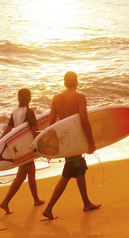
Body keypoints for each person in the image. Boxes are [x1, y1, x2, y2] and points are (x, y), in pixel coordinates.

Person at [42, 72, 101, 220]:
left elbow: (51, 124)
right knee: (68, 174)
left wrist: (52, 146)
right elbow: (84, 120)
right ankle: (49, 208)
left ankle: (86, 203)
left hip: (65, 140)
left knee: (78, 170)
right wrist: (91, 142)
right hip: (76, 139)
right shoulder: (80, 97)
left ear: (64, 82)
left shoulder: (56, 99)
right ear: (76, 82)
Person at [0, 88, 44, 213]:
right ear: (29, 98)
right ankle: (5, 202)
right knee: (21, 175)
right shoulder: (29, 112)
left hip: (18, 146)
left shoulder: (15, 112)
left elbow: (8, 129)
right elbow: (34, 130)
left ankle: (36, 199)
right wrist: (40, 145)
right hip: (27, 147)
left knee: (31, 172)